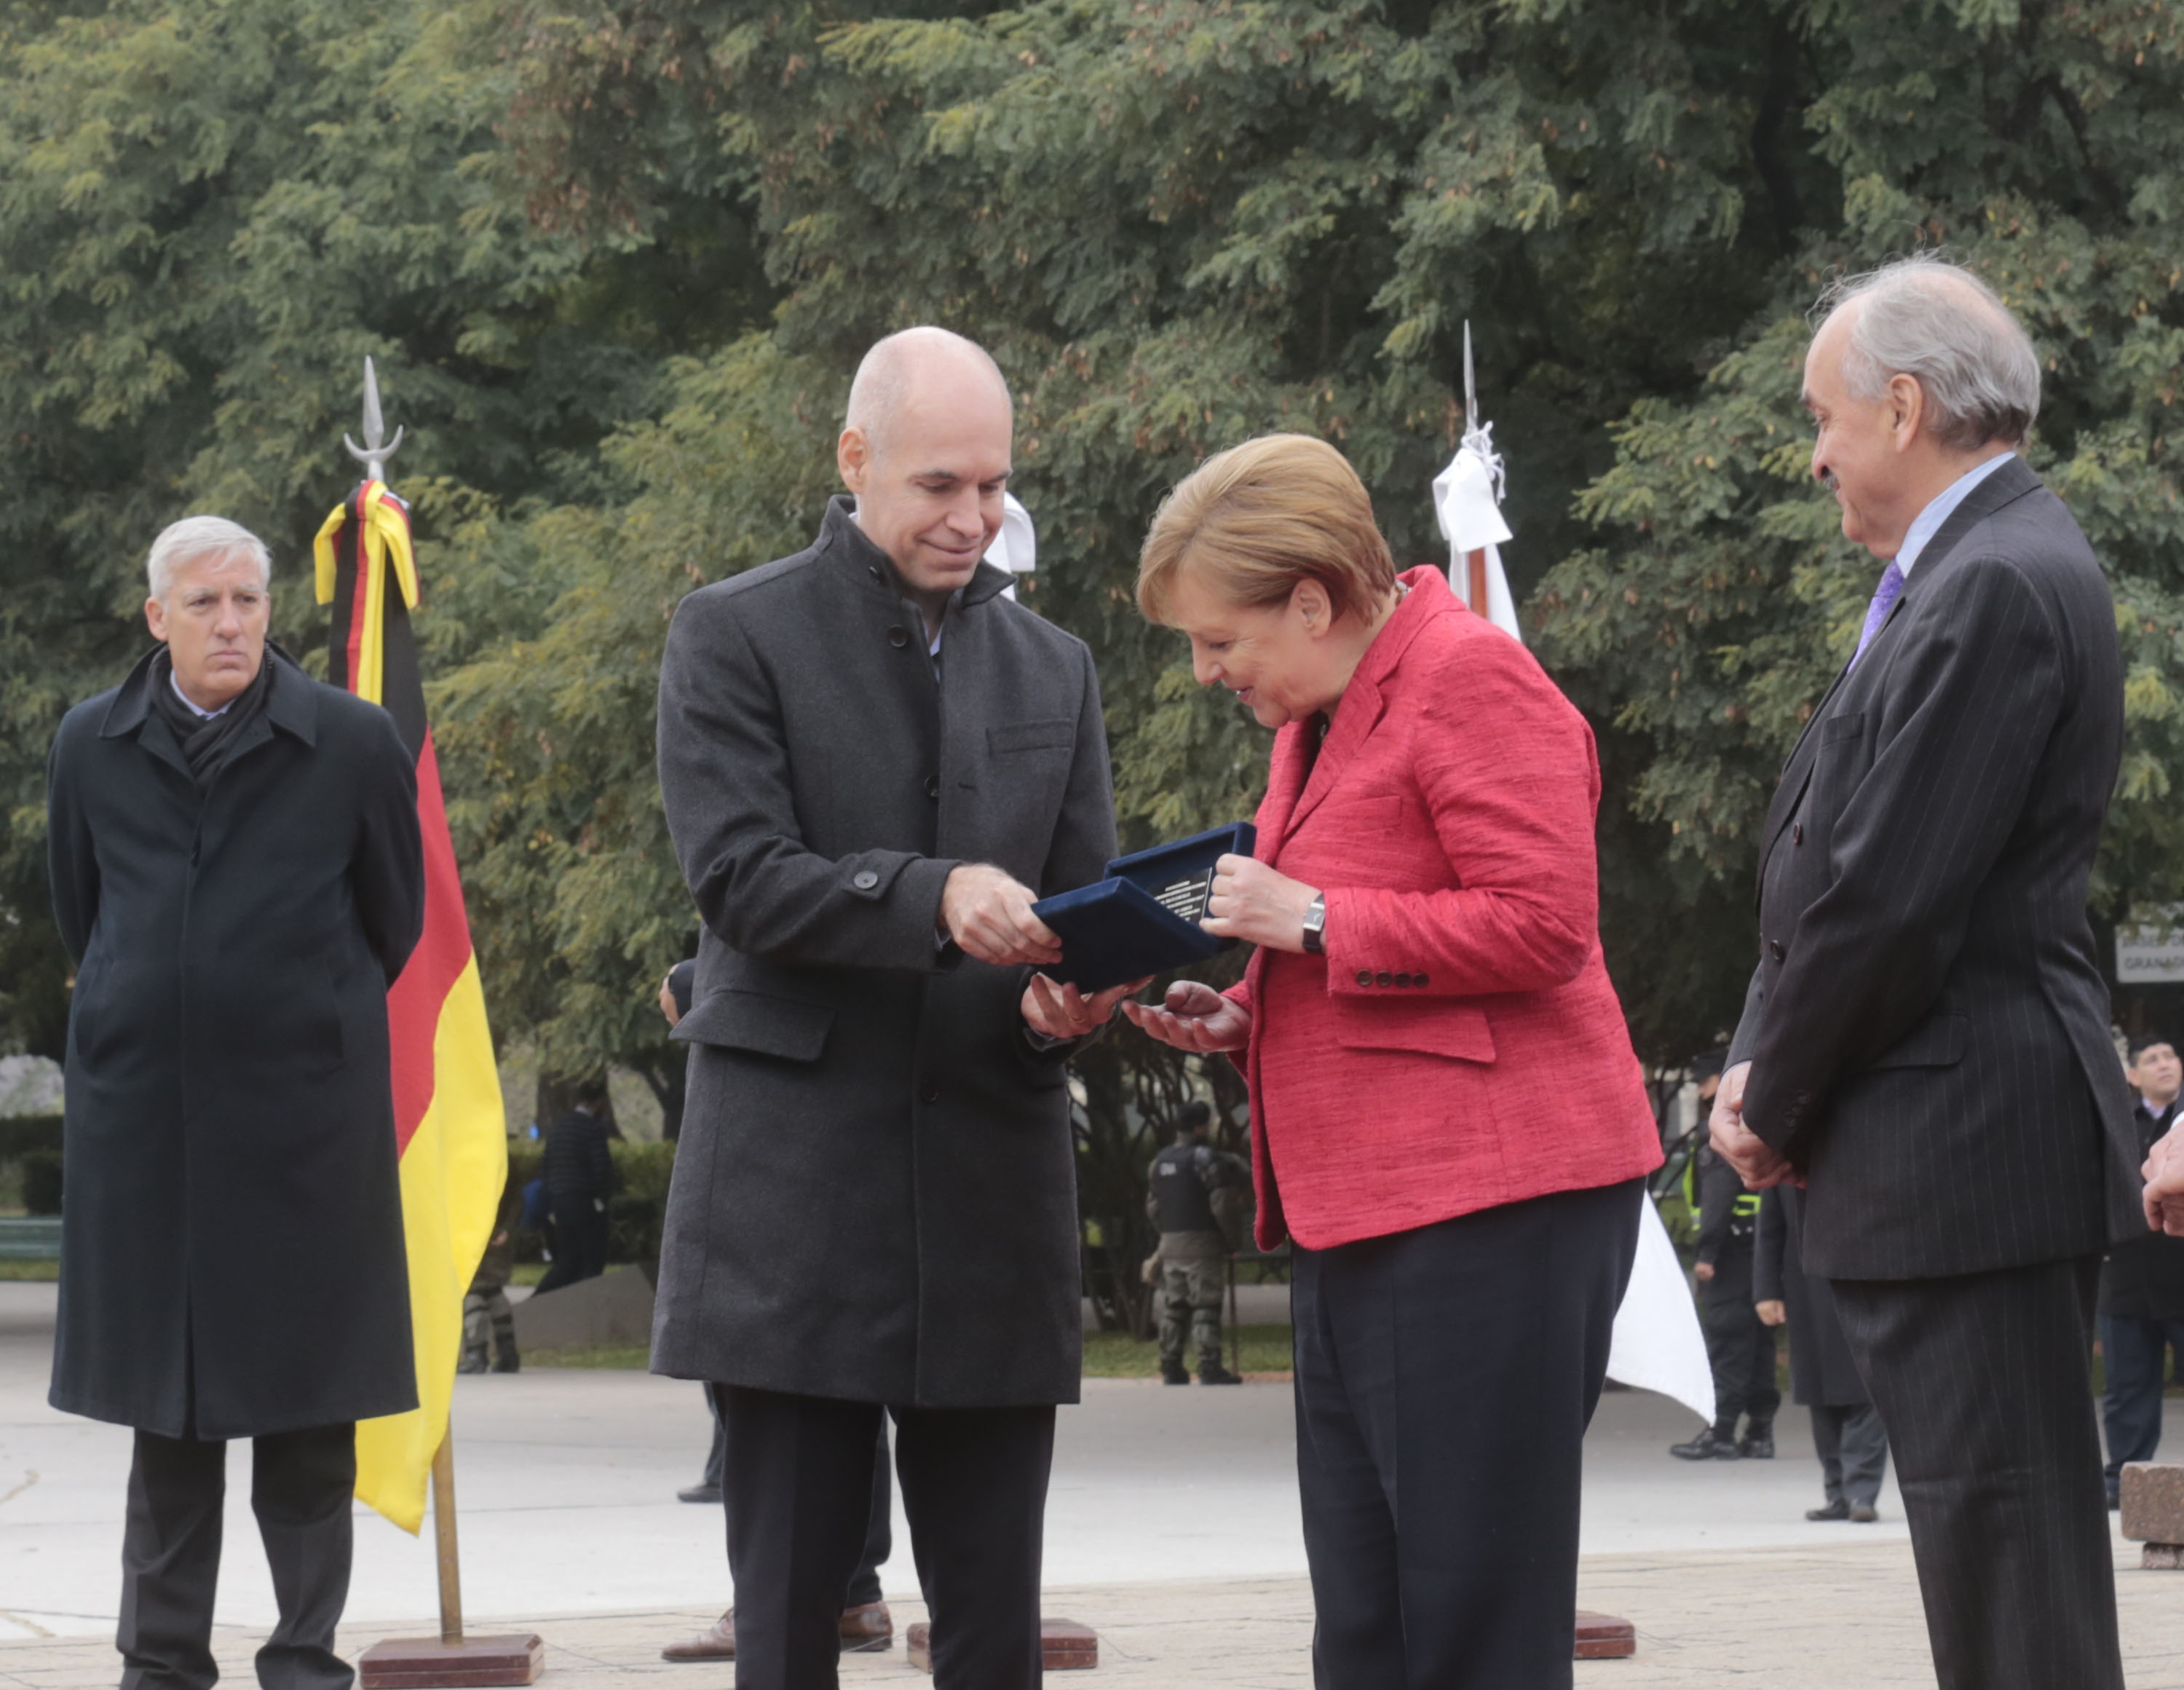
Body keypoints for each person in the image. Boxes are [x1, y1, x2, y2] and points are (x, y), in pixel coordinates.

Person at [1118, 434, 1663, 1689]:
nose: (1206, 671)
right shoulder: (1316, 717)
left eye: (1219, 640)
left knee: (1469, 1620)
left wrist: (1303, 918)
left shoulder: (1473, 679)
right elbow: (1373, 941)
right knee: (1370, 1621)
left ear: (1313, 599)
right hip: (1365, 1211)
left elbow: (1542, 924)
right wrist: (1253, 1011)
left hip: (1494, 1204)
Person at [653, 325, 1131, 1690]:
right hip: (791, 1204)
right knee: (792, 1628)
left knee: (994, 1631)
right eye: (939, 485)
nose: (973, 517)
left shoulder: (1056, 667)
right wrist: (932, 895)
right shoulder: (732, 631)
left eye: (993, 485)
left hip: (990, 1189)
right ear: (854, 459)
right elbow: (741, 879)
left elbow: (1079, 903)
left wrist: (1073, 1005)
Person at [1708, 256, 2142, 1690]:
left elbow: (1892, 896)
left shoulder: (1996, 581)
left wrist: (1774, 1089)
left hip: (1972, 1148)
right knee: (1991, 1560)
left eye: (1824, 416)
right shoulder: (1965, 570)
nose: (1818, 451)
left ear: (1904, 407)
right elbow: (1845, 865)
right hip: (1948, 1147)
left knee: (2013, 1572)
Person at [44, 515, 424, 1690]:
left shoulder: (352, 743)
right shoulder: (90, 743)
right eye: (204, 604)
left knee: (309, 1418)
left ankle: (303, 1656)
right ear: (157, 617)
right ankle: (161, 1661)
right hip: (148, 1132)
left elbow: (394, 920)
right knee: (171, 1418)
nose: (230, 624)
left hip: (307, 1132)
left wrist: (288, 1013)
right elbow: (83, 909)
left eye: (248, 602)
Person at [652, 957, 895, 1661]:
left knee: (803, 1382)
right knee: (835, 1383)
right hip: (824, 1132)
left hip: (805, 1132)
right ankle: (851, 1592)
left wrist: (699, 984)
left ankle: (835, 1594)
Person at [1754, 1185, 1888, 1521]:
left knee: (1867, 1391)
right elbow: (1770, 1230)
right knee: (1821, 1395)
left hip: (1869, 1284)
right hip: (1807, 1289)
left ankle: (1861, 1494)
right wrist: (1766, 1291)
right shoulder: (1785, 1153)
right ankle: (1838, 1494)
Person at [1670, 1053, 1778, 1460]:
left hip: (1727, 1255)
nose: (1699, 1089)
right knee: (1758, 1341)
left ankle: (1721, 1432)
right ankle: (1760, 1433)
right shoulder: (1761, 1129)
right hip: (1760, 1252)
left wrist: (1707, 1254)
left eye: (1703, 1081)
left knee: (1727, 1341)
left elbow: (1716, 1203)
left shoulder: (1720, 1136)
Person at [2098, 1034, 2184, 1507]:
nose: (2164, 1064)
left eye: (2170, 1055)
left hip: (2180, 1270)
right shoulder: (2114, 1123)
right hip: (2127, 1278)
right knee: (2127, 1386)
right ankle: (2124, 1483)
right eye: (2151, 1058)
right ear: (2133, 1075)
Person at [1145, 1101, 1249, 1386]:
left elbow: (1153, 1208)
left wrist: (1167, 1235)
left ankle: (1171, 1367)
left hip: (1171, 1245)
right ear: (1200, 1127)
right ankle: (1210, 1367)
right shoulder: (1205, 1158)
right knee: (1205, 1307)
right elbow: (1222, 1205)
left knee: (1174, 1308)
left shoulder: (1161, 1161)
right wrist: (1232, 1241)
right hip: (1203, 1245)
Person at [534, 1081, 614, 1294]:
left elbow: (546, 1164)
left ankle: (538, 1299)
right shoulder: (593, 1128)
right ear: (599, 1102)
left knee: (569, 1260)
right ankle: (589, 1306)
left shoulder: (559, 1126)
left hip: (559, 1201)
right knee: (592, 1259)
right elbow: (601, 1167)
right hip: (585, 1201)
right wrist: (602, 1200)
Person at [460, 1174, 521, 1375]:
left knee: (472, 1290)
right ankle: (508, 1354)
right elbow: (516, 1199)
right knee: (493, 1291)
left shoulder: (466, 1152)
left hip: (472, 1230)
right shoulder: (501, 1155)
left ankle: (476, 1354)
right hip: (498, 1234)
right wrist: (507, 1229)